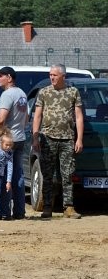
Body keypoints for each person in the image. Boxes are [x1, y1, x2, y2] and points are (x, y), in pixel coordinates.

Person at [31, 63, 84, 219]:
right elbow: (38, 115)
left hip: (67, 139)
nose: (51, 77)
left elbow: (79, 116)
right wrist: (35, 137)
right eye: (50, 75)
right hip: (47, 138)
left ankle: (68, 207)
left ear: (63, 76)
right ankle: (47, 206)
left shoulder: (73, 92)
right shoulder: (44, 92)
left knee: (67, 174)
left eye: (54, 75)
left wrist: (79, 139)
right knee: (47, 174)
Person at [0, 66, 28, 219]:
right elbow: (26, 117)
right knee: (18, 175)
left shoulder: (7, 94)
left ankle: (4, 211)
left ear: (9, 77)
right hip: (19, 138)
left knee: (3, 175)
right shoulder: (22, 93)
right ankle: (19, 211)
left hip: (7, 141)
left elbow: (1, 119)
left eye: (1, 76)